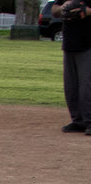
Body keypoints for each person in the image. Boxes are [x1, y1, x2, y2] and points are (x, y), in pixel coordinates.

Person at [56, 0, 91, 134]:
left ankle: (89, 121)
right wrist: (64, 8)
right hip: (69, 45)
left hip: (88, 44)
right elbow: (54, 10)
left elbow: (84, 10)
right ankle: (78, 121)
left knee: (86, 86)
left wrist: (84, 10)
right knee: (71, 87)